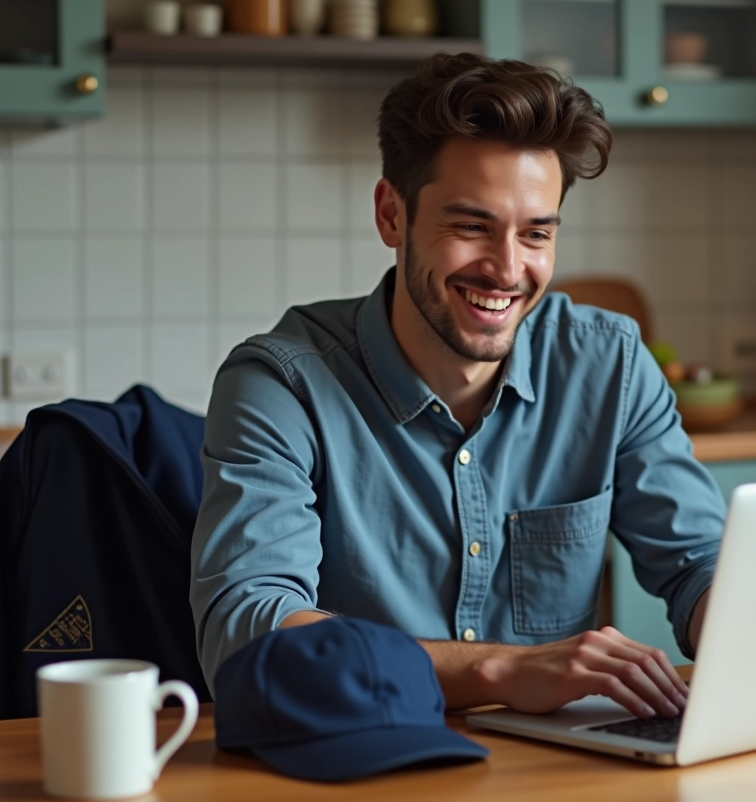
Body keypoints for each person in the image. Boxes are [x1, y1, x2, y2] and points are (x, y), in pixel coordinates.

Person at [191, 53, 725, 721]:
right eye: (471, 226)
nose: (507, 269)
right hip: (359, 768)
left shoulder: (609, 364)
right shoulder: (281, 384)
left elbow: (698, 563)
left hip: (559, 775)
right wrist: (502, 670)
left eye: (535, 234)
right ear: (392, 215)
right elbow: (246, 633)